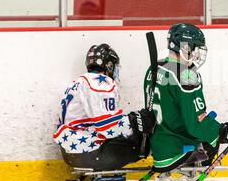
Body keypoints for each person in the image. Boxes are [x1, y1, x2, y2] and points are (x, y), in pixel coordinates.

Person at [143, 23, 228, 181]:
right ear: (185, 46)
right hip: (178, 149)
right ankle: (192, 163)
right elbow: (195, 123)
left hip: (158, 148)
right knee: (211, 139)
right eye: (195, 48)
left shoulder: (153, 69)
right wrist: (223, 131)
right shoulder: (186, 75)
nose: (197, 53)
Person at [53, 43, 156, 171]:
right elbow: (107, 127)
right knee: (142, 140)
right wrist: (136, 121)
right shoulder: (101, 82)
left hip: (71, 152)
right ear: (109, 65)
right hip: (90, 152)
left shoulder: (77, 82)